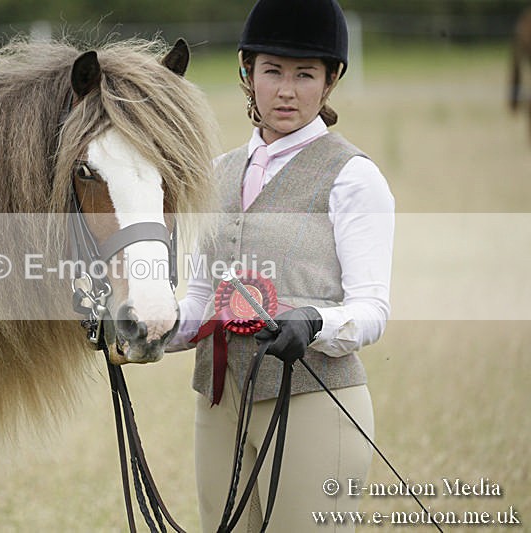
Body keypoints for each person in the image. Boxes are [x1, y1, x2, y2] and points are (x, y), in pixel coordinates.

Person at [167, 0, 395, 531]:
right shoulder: (218, 172)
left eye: (305, 74)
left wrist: (314, 322)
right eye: (272, 71)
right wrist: (142, 332)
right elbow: (200, 302)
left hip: (316, 399)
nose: (287, 91)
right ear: (247, 71)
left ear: (331, 78)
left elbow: (372, 309)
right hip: (219, 400)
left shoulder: (353, 178)